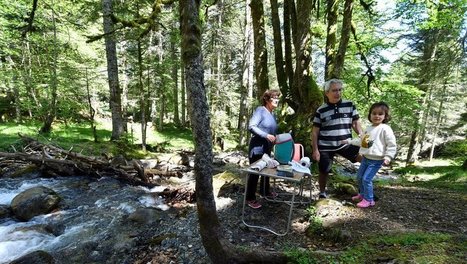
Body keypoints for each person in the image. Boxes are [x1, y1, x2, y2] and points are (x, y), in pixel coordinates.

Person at [312, 79, 363, 199]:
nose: (338, 93)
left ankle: (364, 190)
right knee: (324, 170)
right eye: (334, 90)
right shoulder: (321, 110)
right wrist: (315, 150)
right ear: (327, 93)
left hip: (345, 143)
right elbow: (315, 132)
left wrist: (361, 135)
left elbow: (355, 123)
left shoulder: (350, 105)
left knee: (364, 159)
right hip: (325, 145)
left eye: (340, 90)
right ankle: (322, 193)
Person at [343, 101, 397, 208]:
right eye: (374, 113)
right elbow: (362, 141)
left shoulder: (385, 129)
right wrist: (349, 141)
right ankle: (362, 195)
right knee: (359, 177)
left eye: (380, 114)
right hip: (366, 158)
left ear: (385, 116)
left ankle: (369, 199)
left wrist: (388, 157)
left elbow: (391, 144)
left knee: (366, 179)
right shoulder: (368, 128)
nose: (377, 116)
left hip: (376, 160)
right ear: (370, 115)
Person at [246, 89, 281, 209]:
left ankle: (265, 192)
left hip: (267, 149)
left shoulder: (273, 114)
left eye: (278, 97)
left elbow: (271, 131)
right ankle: (250, 198)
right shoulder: (261, 110)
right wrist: (266, 135)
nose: (277, 99)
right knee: (255, 173)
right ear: (267, 99)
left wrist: (275, 138)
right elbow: (251, 126)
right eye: (274, 97)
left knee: (266, 171)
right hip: (257, 148)